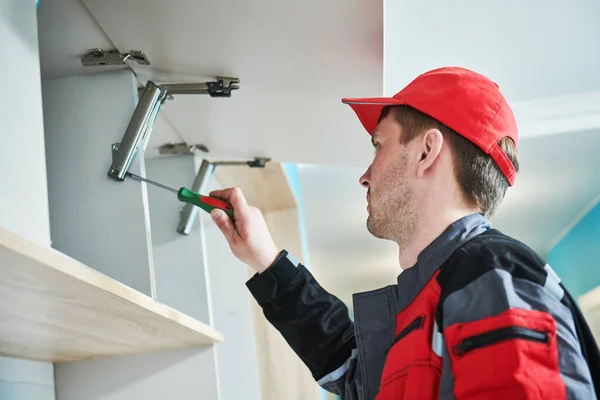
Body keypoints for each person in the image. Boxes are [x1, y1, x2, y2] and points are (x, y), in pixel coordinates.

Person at [208, 67, 600, 399]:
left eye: (378, 146)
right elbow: (355, 371)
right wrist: (267, 261)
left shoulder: (490, 275)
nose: (365, 175)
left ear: (427, 152)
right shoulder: (441, 289)